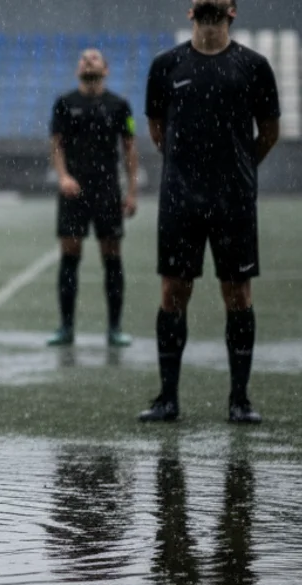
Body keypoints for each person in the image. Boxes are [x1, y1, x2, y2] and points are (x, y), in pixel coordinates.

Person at [140, 0, 280, 423]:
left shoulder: (254, 66)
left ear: (233, 10)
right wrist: (190, 173)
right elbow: (156, 129)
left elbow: (270, 132)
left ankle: (239, 400)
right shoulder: (166, 65)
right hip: (180, 202)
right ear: (189, 11)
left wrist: (237, 170)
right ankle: (168, 398)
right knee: (172, 294)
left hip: (234, 203)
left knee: (237, 295)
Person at [48, 49, 140, 348]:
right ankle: (66, 328)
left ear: (106, 68)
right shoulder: (64, 104)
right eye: (84, 58)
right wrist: (63, 176)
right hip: (74, 192)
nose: (88, 60)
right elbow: (56, 145)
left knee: (111, 257)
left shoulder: (120, 106)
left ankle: (114, 328)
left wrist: (131, 191)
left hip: (107, 191)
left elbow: (129, 148)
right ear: (77, 69)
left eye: (95, 58)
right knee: (69, 257)